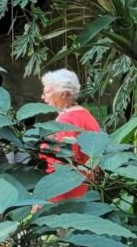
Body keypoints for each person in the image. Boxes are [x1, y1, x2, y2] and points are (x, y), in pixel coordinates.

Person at [40, 69, 101, 200]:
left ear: (63, 94)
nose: (43, 97)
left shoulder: (66, 121)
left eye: (47, 92)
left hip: (67, 194)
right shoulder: (85, 115)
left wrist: (45, 198)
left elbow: (62, 164)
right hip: (85, 190)